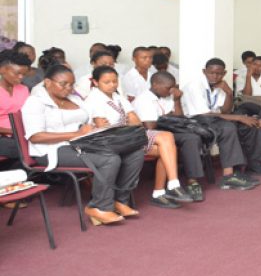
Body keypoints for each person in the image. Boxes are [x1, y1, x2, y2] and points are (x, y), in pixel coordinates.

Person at [21, 64, 145, 225]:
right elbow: (36, 136)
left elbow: (88, 119)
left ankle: (120, 200)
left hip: (82, 142)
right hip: (53, 150)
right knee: (110, 159)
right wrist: (77, 134)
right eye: (63, 84)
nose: (68, 88)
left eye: (71, 84)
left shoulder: (74, 99)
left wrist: (96, 125)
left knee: (135, 152)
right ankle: (99, 206)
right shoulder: (35, 102)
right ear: (48, 82)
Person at [84, 66, 193, 209]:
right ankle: (172, 185)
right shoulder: (94, 99)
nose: (112, 85)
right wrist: (127, 121)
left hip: (126, 135)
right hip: (109, 140)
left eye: (114, 81)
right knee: (166, 138)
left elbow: (135, 120)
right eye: (107, 82)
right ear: (96, 82)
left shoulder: (118, 97)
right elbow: (103, 126)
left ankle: (160, 192)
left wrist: (126, 122)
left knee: (166, 150)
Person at [181, 58, 261, 183]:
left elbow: (225, 111)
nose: (215, 76)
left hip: (214, 118)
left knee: (250, 124)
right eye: (211, 73)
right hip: (195, 121)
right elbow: (204, 114)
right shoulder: (194, 86)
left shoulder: (220, 85)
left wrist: (228, 93)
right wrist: (238, 117)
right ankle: (229, 175)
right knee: (228, 127)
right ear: (204, 71)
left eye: (219, 73)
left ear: (225, 73)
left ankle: (253, 164)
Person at [133, 71, 206, 202]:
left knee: (192, 137)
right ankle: (173, 185)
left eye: (173, 87)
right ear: (155, 85)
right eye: (168, 88)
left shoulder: (166, 97)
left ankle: (192, 180)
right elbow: (150, 127)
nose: (171, 90)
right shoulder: (144, 99)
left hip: (167, 130)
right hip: (151, 134)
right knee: (179, 139)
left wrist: (177, 100)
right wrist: (168, 117)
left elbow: (179, 118)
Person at [0, 50, 32, 159]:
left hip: (22, 135)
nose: (21, 77)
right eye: (17, 73)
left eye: (23, 74)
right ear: (2, 70)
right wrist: (14, 131)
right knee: (23, 149)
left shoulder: (23, 89)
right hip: (4, 137)